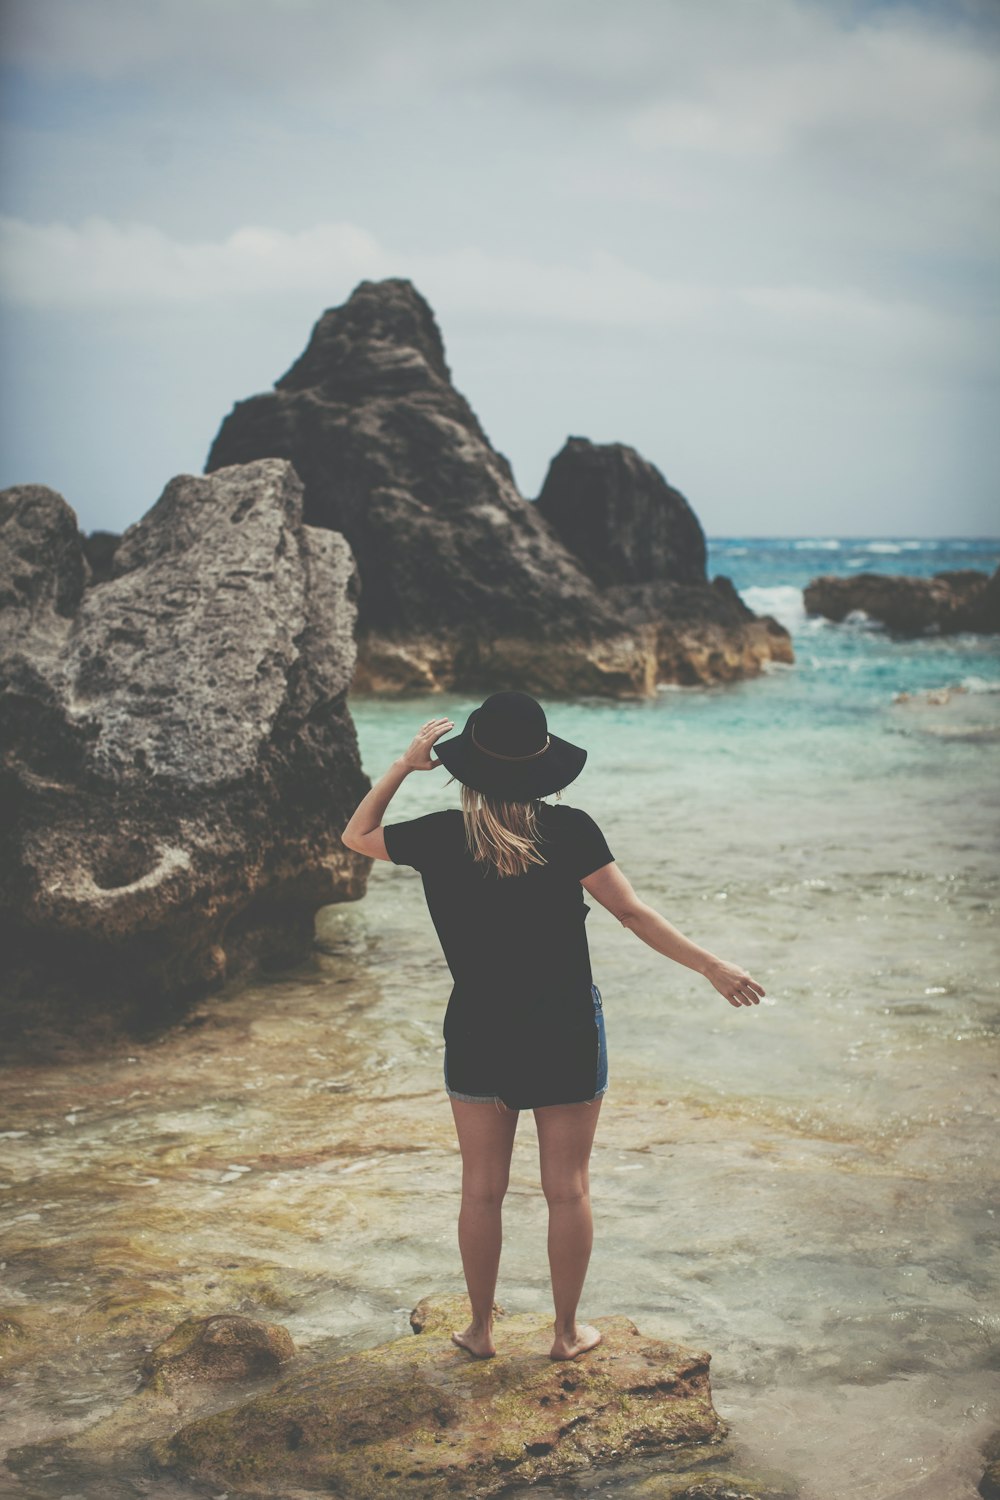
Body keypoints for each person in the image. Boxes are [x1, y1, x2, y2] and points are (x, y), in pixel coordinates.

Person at [342, 691, 764, 1362]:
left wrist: (401, 765)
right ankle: (565, 1335)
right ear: (541, 767)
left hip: (478, 1027)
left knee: (481, 1189)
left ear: (466, 769)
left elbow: (356, 835)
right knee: (566, 1188)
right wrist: (711, 966)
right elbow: (633, 914)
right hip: (565, 1026)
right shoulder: (570, 831)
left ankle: (480, 1331)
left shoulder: (438, 836)